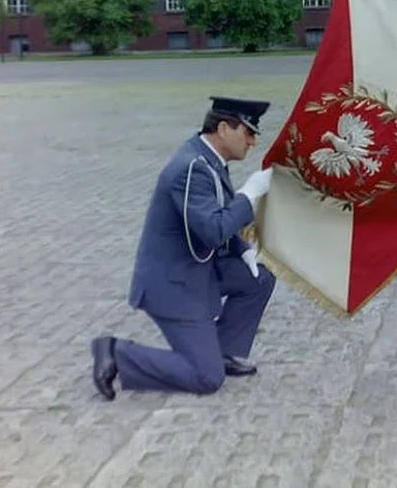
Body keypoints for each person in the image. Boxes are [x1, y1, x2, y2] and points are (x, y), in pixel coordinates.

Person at [90, 96, 277, 398]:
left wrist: (240, 247)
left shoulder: (208, 160)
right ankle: (116, 353)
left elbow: (209, 218)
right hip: (174, 285)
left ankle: (223, 351)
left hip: (195, 269)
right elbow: (214, 230)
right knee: (206, 378)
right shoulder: (191, 169)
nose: (253, 141)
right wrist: (249, 195)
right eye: (248, 131)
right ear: (223, 129)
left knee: (258, 279)